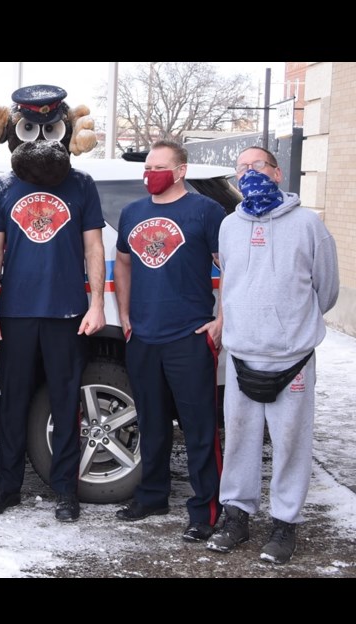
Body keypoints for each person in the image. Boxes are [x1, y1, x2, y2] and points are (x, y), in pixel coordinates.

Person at [206, 146, 339, 564]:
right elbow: (231, 279)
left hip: (291, 358)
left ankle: (285, 524)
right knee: (241, 441)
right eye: (242, 167)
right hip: (243, 354)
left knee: (290, 443)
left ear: (277, 173)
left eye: (257, 165)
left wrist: (292, 324)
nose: (249, 172)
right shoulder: (229, 225)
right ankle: (237, 516)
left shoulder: (308, 225)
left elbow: (327, 289)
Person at [0, 89, 106, 522]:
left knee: (65, 400)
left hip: (68, 313)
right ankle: (7, 486)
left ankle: (65, 490)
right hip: (14, 314)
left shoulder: (82, 184)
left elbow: (94, 248)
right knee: (12, 402)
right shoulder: (2, 186)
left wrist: (97, 304)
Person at [113, 140, 225, 541]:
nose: (150, 174)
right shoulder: (133, 212)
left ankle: (206, 509)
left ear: (180, 171)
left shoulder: (206, 211)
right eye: (148, 166)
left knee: (199, 429)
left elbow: (230, 265)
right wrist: (125, 316)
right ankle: (152, 495)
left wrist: (220, 320)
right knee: (152, 424)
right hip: (143, 336)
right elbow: (123, 261)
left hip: (189, 337)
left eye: (159, 167)